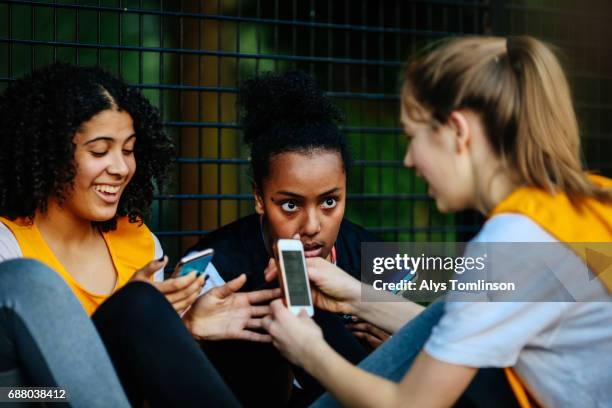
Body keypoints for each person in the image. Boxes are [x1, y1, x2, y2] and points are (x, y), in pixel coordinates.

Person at [261, 36, 612, 407]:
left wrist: (307, 348)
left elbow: (411, 405)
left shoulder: (512, 243)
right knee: (450, 304)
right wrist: (356, 296)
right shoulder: (584, 204)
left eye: (414, 137)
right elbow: (464, 321)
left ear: (458, 132)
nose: (410, 160)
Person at [0, 62, 278, 407]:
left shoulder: (140, 242)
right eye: (100, 151)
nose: (120, 168)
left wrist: (184, 329)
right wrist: (130, 323)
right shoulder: (8, 250)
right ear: (49, 153)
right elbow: (10, 394)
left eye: (128, 150)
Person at [185, 71, 389, 406]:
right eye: (290, 204)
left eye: (329, 201)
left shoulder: (381, 259)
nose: (311, 226)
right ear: (259, 198)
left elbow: (491, 288)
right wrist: (190, 333)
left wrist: (402, 349)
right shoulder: (213, 268)